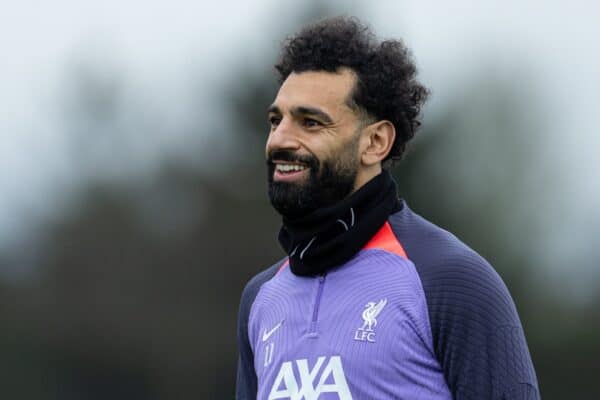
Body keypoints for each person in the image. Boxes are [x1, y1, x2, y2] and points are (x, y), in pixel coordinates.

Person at [236, 16, 539, 400]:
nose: (279, 140)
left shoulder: (452, 282)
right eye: (276, 120)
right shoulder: (261, 298)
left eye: (310, 123)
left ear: (375, 142)